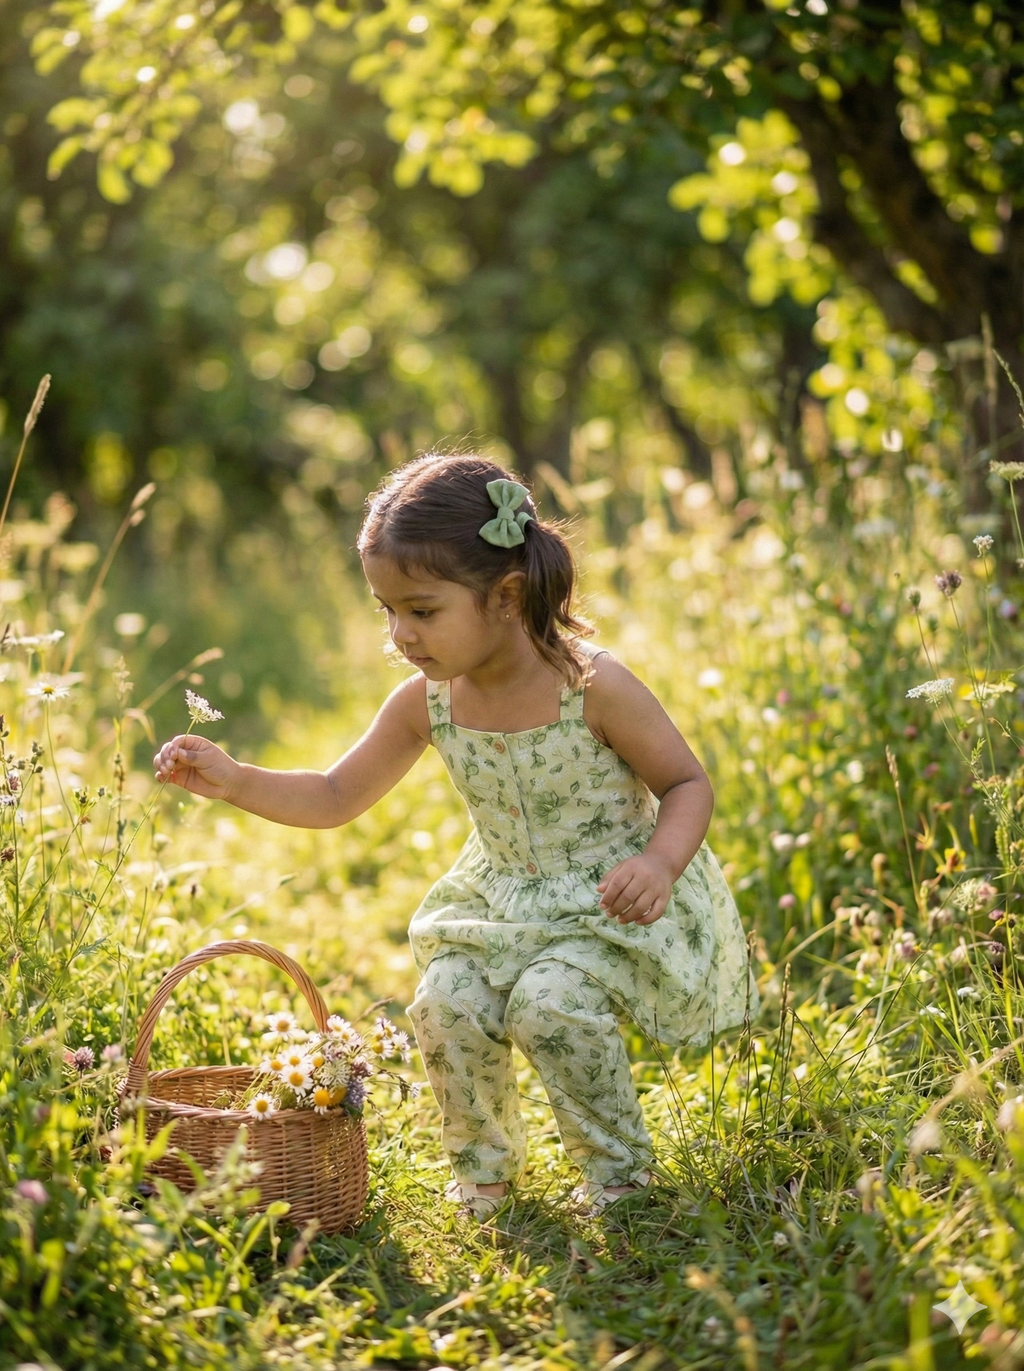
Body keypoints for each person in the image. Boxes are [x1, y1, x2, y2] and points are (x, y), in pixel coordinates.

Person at [153, 454, 757, 1218]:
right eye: (387, 610)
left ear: (507, 595)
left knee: (550, 1005)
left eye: (423, 610)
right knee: (446, 1002)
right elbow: (336, 793)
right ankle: (484, 1172)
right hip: (502, 901)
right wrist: (237, 779)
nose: (401, 633)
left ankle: (617, 1174)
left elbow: (686, 782)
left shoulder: (592, 687)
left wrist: (660, 863)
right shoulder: (427, 701)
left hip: (608, 900)